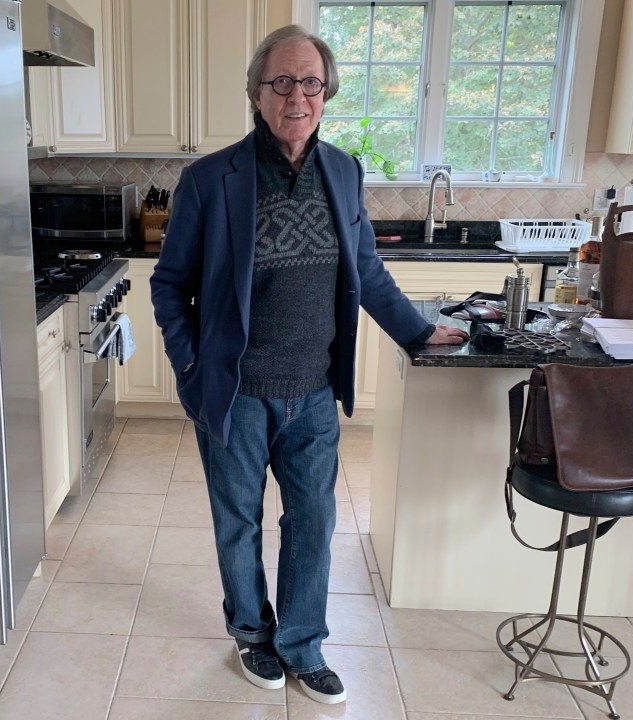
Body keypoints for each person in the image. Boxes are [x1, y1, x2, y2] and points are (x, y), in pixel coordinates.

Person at [150, 24, 468, 705]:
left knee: (313, 524)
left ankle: (301, 643)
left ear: (327, 94)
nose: (298, 95)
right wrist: (188, 367)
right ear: (257, 93)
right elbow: (168, 285)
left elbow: (368, 273)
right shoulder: (211, 180)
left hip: (315, 393)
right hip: (235, 393)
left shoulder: (344, 171)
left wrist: (418, 330)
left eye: (312, 82)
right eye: (283, 82)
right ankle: (251, 634)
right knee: (238, 521)